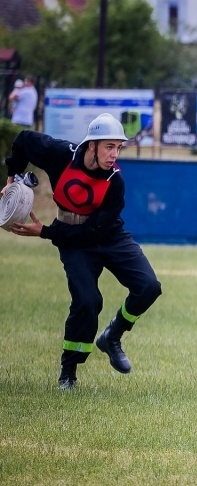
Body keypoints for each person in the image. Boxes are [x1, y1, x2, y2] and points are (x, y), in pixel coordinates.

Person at [3, 113, 162, 389]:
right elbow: (24, 140)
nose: (115, 154)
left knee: (149, 286)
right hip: (72, 240)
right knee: (87, 302)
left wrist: (46, 232)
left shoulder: (115, 182)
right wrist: (12, 177)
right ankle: (68, 373)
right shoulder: (60, 155)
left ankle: (112, 335)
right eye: (109, 147)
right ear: (92, 145)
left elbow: (92, 232)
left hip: (108, 235)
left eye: (118, 148)